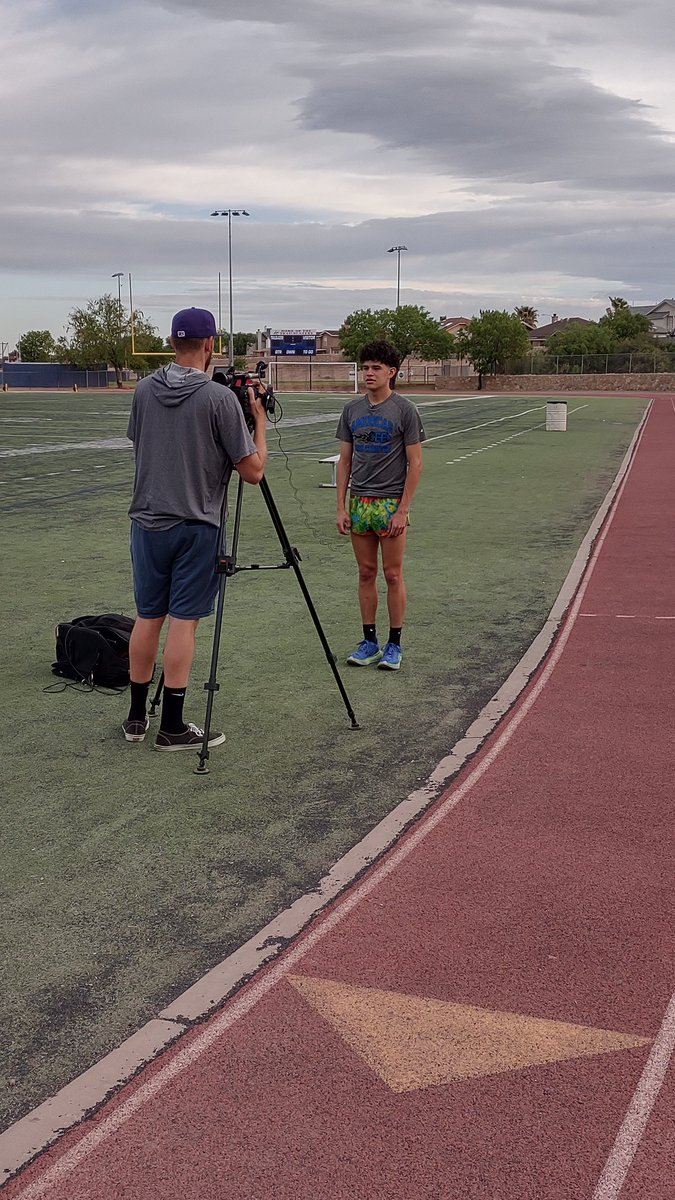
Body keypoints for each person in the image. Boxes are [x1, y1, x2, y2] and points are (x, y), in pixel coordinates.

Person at [123, 307, 268, 750]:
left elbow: (141, 441)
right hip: (197, 524)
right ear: (210, 346)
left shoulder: (144, 390)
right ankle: (172, 726)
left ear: (171, 343)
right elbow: (253, 472)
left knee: (149, 617)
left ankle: (134, 720)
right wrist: (257, 421)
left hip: (147, 522)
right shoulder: (219, 399)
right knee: (184, 622)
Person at [335, 340, 425, 671]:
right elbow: (344, 461)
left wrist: (402, 510)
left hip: (389, 504)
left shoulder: (404, 410)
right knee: (366, 572)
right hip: (360, 502)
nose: (369, 373)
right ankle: (369, 641)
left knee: (392, 574)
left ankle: (394, 644)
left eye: (376, 367)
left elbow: (415, 464)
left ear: (392, 372)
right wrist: (341, 507)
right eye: (365, 367)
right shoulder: (352, 410)